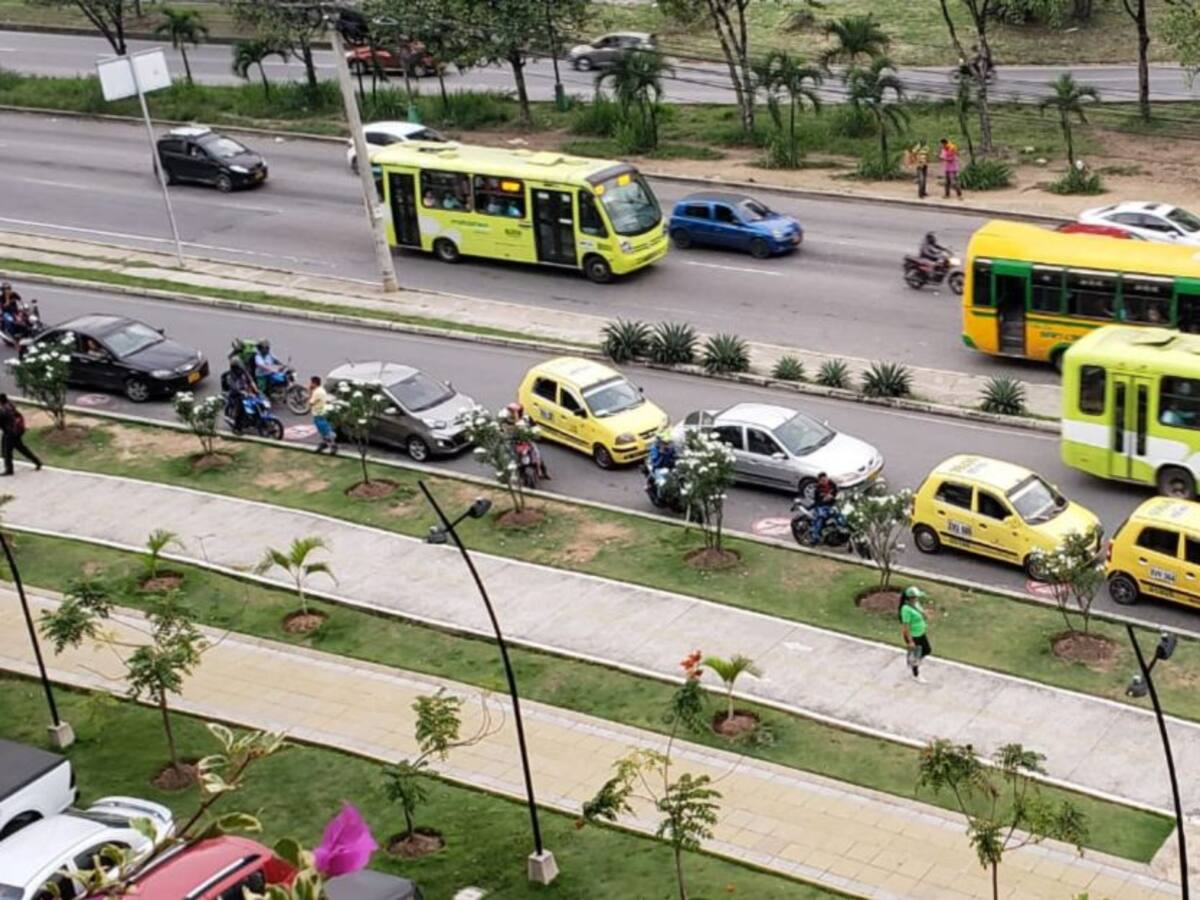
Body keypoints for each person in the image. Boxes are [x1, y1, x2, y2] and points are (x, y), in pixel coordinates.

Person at [504, 402, 549, 479]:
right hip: (514, 443)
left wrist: (536, 433)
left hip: (526, 441)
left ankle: (542, 472)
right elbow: (502, 430)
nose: (512, 414)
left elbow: (534, 427)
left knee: (536, 454)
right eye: (511, 412)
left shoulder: (526, 418)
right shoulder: (507, 421)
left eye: (514, 412)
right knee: (510, 456)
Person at [0, 394, 41, 476]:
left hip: (10, 432)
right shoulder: (10, 405)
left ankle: (9, 469)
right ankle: (37, 461)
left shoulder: (3, 410)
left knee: (7, 451)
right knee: (21, 448)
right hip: (16, 431)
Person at [899, 586, 932, 682]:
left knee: (927, 649)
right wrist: (910, 641)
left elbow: (921, 612)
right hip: (913, 636)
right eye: (916, 597)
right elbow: (906, 627)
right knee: (917, 654)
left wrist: (926, 614)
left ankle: (913, 660)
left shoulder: (915, 604)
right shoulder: (905, 609)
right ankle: (916, 673)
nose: (917, 598)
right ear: (911, 598)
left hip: (920, 632)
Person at [223, 356, 256, 433]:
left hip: (246, 391)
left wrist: (254, 387)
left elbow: (249, 378)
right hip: (236, 395)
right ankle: (237, 427)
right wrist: (241, 392)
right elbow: (234, 387)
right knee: (241, 408)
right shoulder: (230, 376)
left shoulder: (243, 370)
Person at [808, 472, 838, 544]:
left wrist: (832, 497)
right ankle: (815, 536)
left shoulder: (832, 485)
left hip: (832, 505)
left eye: (825, 479)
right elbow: (817, 501)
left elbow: (836, 493)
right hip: (821, 506)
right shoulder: (818, 489)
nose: (824, 481)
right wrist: (824, 500)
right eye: (822, 480)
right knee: (821, 517)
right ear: (820, 481)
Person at [309, 375, 336, 454]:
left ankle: (333, 445)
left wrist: (309, 391)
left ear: (314, 383)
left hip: (318, 414)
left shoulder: (316, 392)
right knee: (323, 431)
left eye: (311, 383)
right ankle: (324, 443)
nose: (310, 384)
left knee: (325, 431)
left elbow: (310, 403)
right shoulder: (321, 390)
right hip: (322, 412)